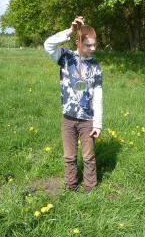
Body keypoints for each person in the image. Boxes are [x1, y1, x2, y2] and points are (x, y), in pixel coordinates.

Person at [44, 16, 102, 193]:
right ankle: (70, 187)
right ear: (79, 42)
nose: (92, 49)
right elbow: (48, 45)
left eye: (94, 45)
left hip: (87, 120)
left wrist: (97, 123)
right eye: (88, 45)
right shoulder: (65, 57)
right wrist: (69, 30)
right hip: (68, 118)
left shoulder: (95, 66)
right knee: (69, 156)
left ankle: (90, 189)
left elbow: (98, 95)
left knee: (88, 157)